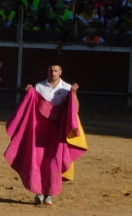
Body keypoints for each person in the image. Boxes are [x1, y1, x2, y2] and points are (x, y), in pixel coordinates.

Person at [9, 62, 81, 206]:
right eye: (50, 70)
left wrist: (74, 94)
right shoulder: (39, 86)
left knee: (54, 161)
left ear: (60, 71)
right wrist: (29, 93)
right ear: (47, 71)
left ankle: (49, 195)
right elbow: (31, 106)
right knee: (38, 160)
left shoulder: (67, 88)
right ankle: (39, 192)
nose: (52, 73)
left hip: (58, 131)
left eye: (55, 70)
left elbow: (75, 109)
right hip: (40, 130)